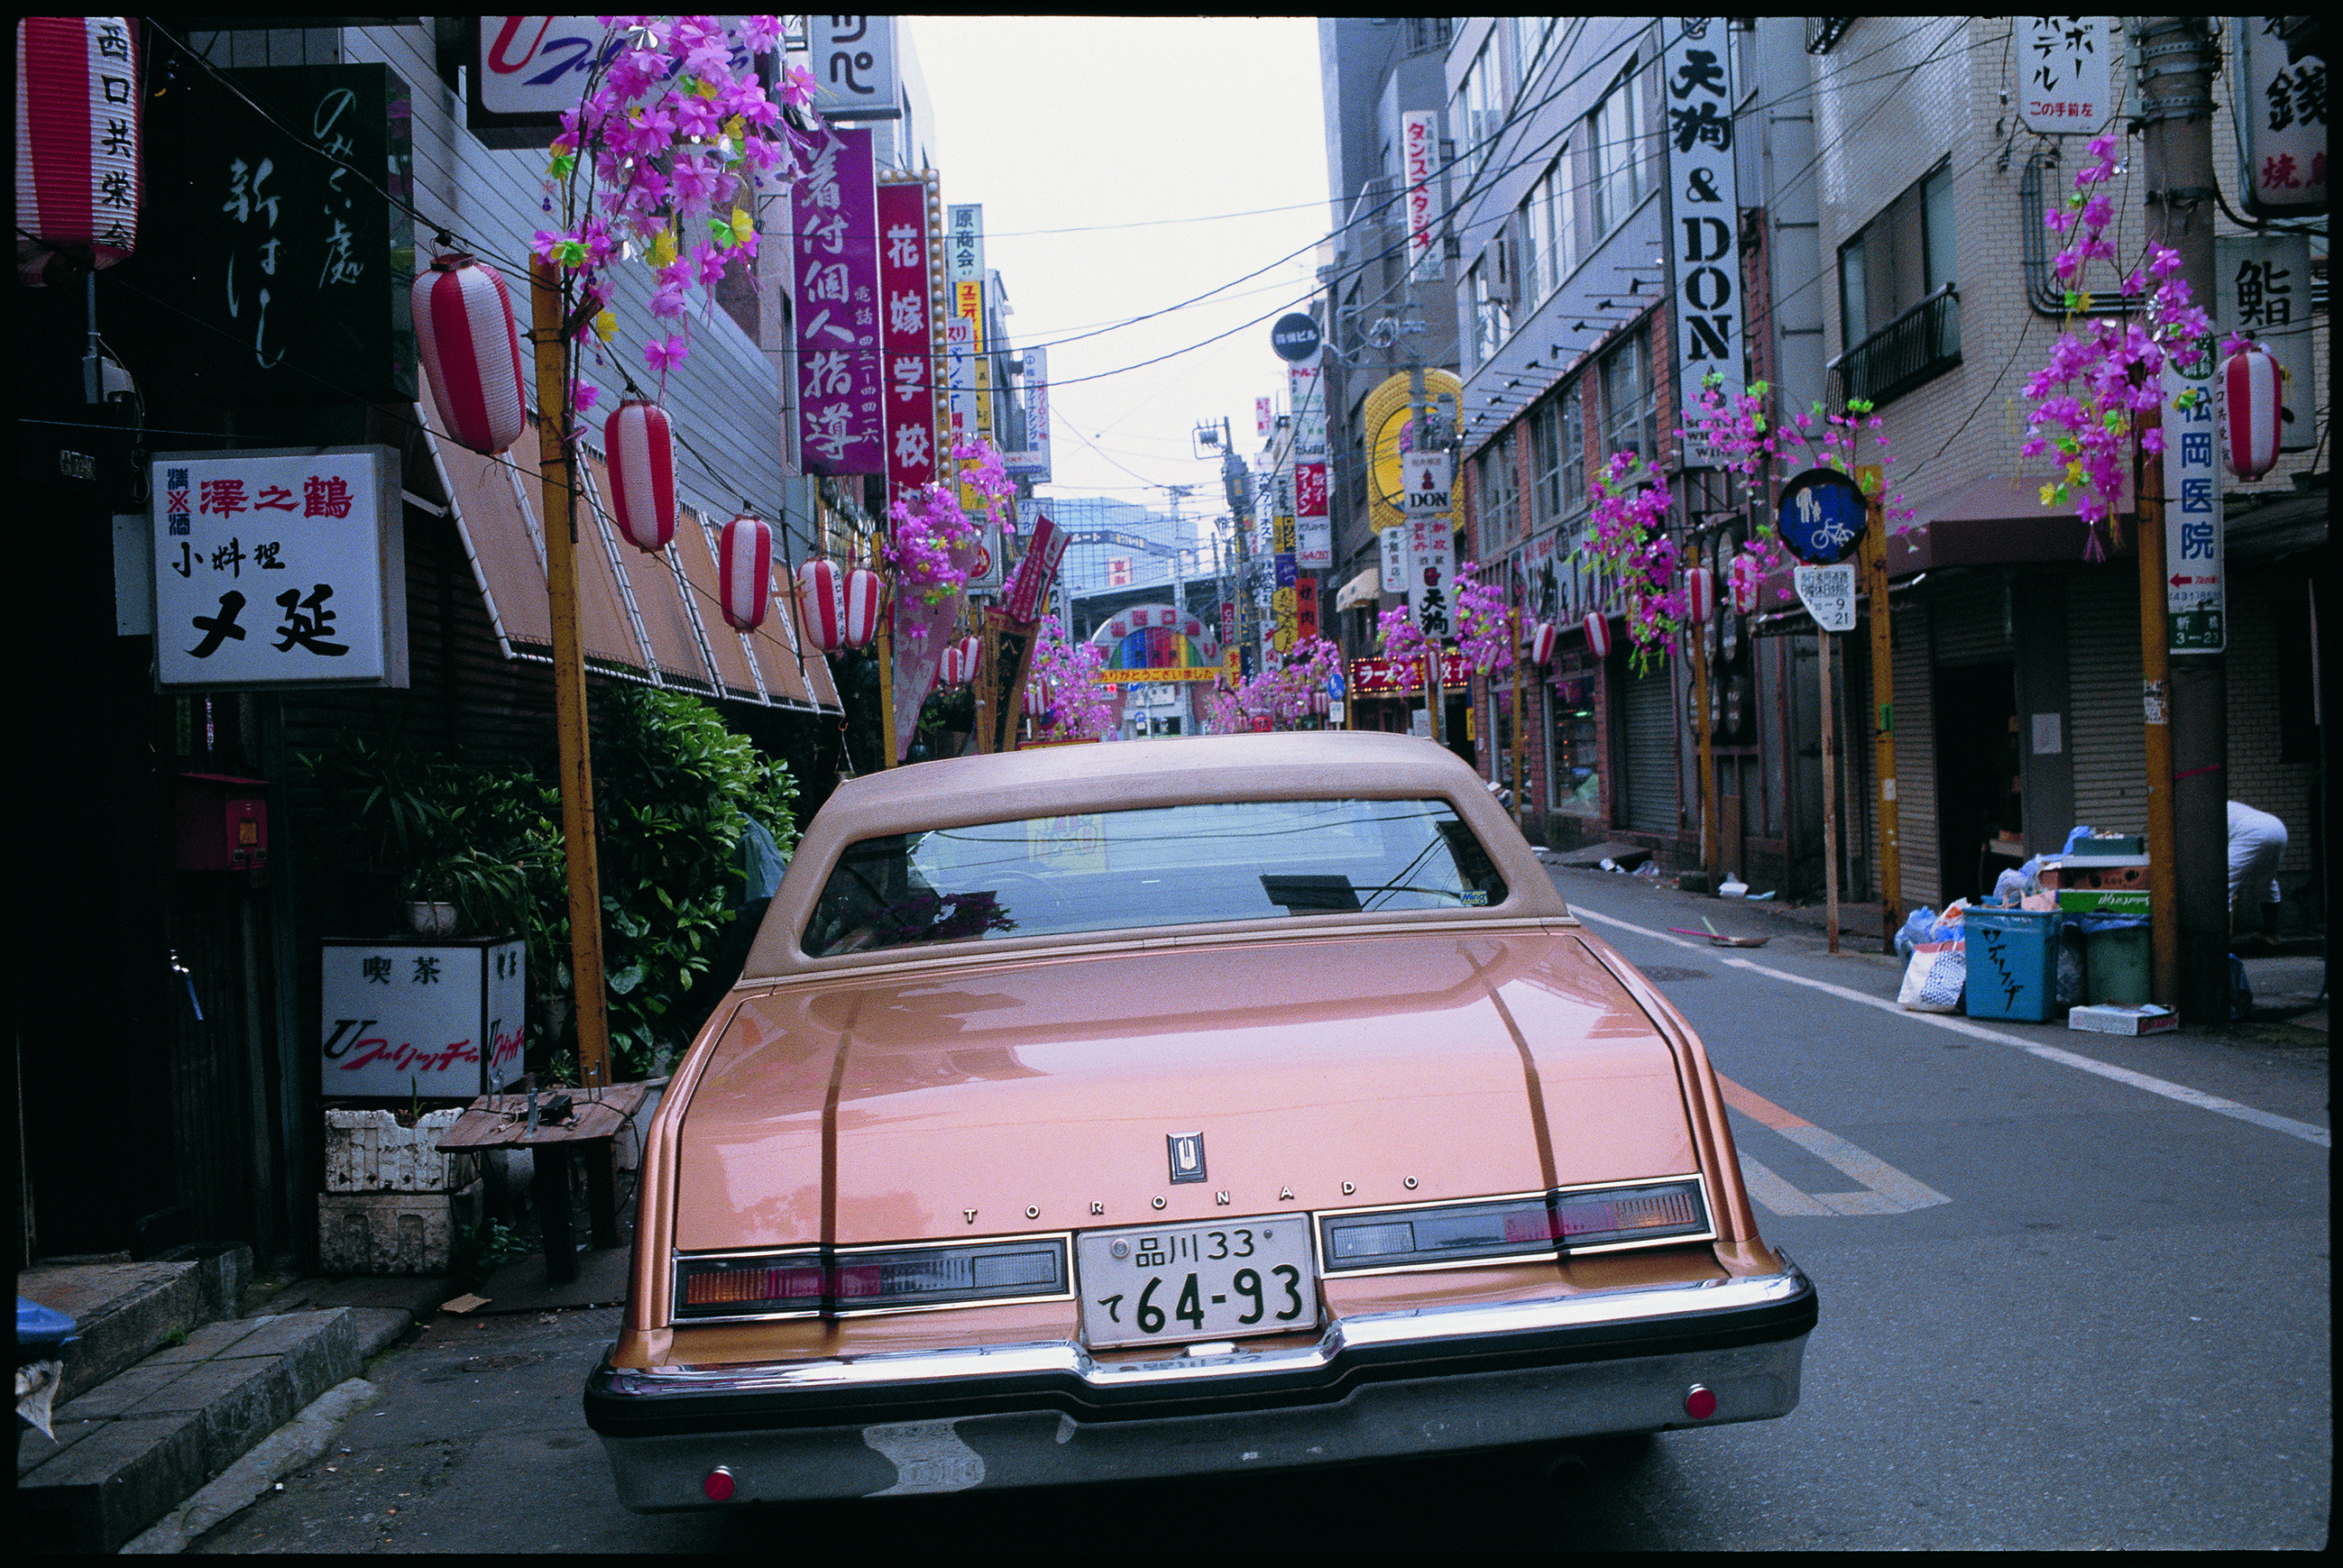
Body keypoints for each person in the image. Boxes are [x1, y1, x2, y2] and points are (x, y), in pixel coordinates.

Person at [2226, 800, 2288, 945]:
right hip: (2276, 828)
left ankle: (2219, 941)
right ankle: (2270, 933)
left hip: (2251, 832)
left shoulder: (2203, 813)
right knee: (2266, 882)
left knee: (2223, 885)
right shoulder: (2228, 805)